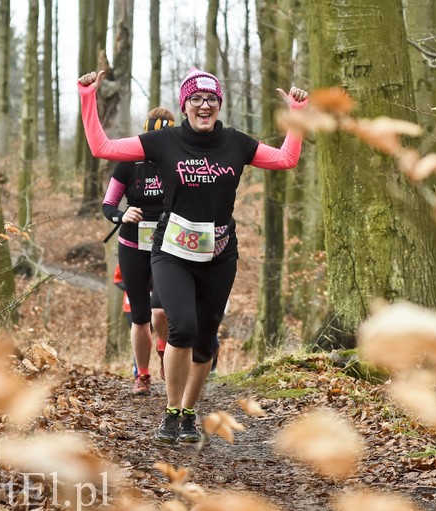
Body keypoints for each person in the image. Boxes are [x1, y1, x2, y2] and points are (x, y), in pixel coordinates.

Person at [78, 66, 308, 444]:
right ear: (184, 105)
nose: (205, 105)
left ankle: (188, 413)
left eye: (212, 99)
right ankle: (171, 413)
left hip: (219, 255)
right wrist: (88, 97)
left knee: (205, 341)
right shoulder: (163, 141)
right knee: (181, 326)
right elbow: (102, 147)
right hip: (171, 250)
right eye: (196, 99)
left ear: (219, 105)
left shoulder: (236, 143)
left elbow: (285, 159)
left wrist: (297, 116)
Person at [102, 107, 175, 395]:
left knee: (160, 312)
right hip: (132, 245)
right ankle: (142, 375)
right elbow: (108, 204)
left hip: (168, 245)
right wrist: (122, 215)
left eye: (164, 137)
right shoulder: (128, 163)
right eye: (152, 136)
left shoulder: (178, 161)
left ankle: (164, 351)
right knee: (140, 316)